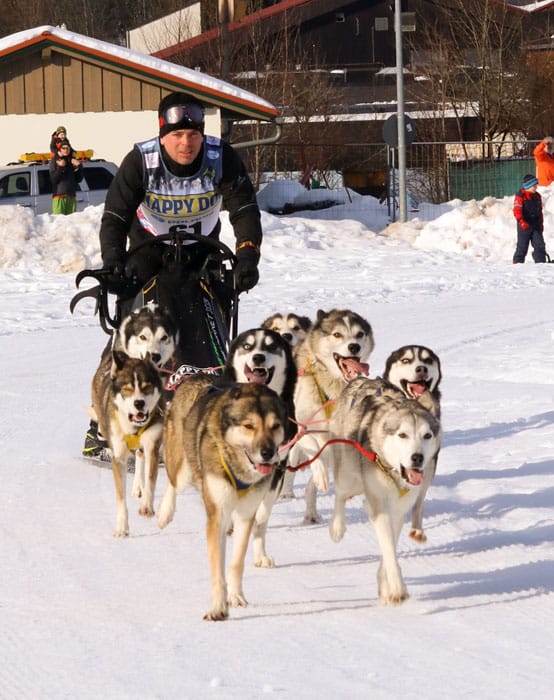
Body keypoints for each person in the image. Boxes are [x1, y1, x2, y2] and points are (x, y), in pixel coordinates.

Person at [82, 91, 263, 457]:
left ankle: (215, 410)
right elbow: (115, 217)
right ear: (163, 135)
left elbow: (244, 210)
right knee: (136, 325)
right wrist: (113, 260)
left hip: (201, 251)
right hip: (148, 250)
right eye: (177, 135)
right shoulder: (140, 161)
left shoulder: (220, 157)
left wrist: (247, 256)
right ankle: (102, 425)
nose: (186, 143)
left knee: (210, 317)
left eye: (193, 134)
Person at [513, 173, 546, 264]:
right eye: (534, 186)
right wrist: (522, 222)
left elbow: (540, 212)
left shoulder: (537, 196)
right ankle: (517, 264)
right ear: (528, 186)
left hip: (536, 226)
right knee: (522, 247)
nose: (536, 187)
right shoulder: (521, 196)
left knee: (540, 246)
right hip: (524, 226)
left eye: (536, 185)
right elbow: (517, 211)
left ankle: (541, 263)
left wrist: (541, 224)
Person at [49, 139, 83, 215]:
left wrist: (80, 167)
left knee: (71, 223)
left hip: (71, 197)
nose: (65, 150)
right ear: (60, 150)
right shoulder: (55, 161)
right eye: (63, 148)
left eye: (67, 148)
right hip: (59, 197)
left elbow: (78, 179)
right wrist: (60, 168)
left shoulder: (72, 161)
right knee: (60, 222)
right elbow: (53, 180)